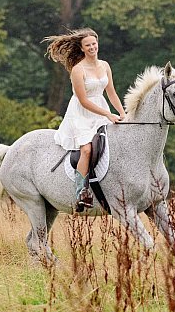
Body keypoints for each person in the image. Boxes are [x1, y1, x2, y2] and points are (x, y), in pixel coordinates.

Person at [44, 28, 125, 210]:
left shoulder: (105, 65)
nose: (92, 47)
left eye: (94, 44)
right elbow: (83, 100)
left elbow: (111, 92)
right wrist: (107, 114)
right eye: (87, 45)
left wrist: (122, 113)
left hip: (102, 108)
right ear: (81, 48)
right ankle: (81, 191)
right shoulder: (77, 70)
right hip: (81, 113)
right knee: (87, 149)